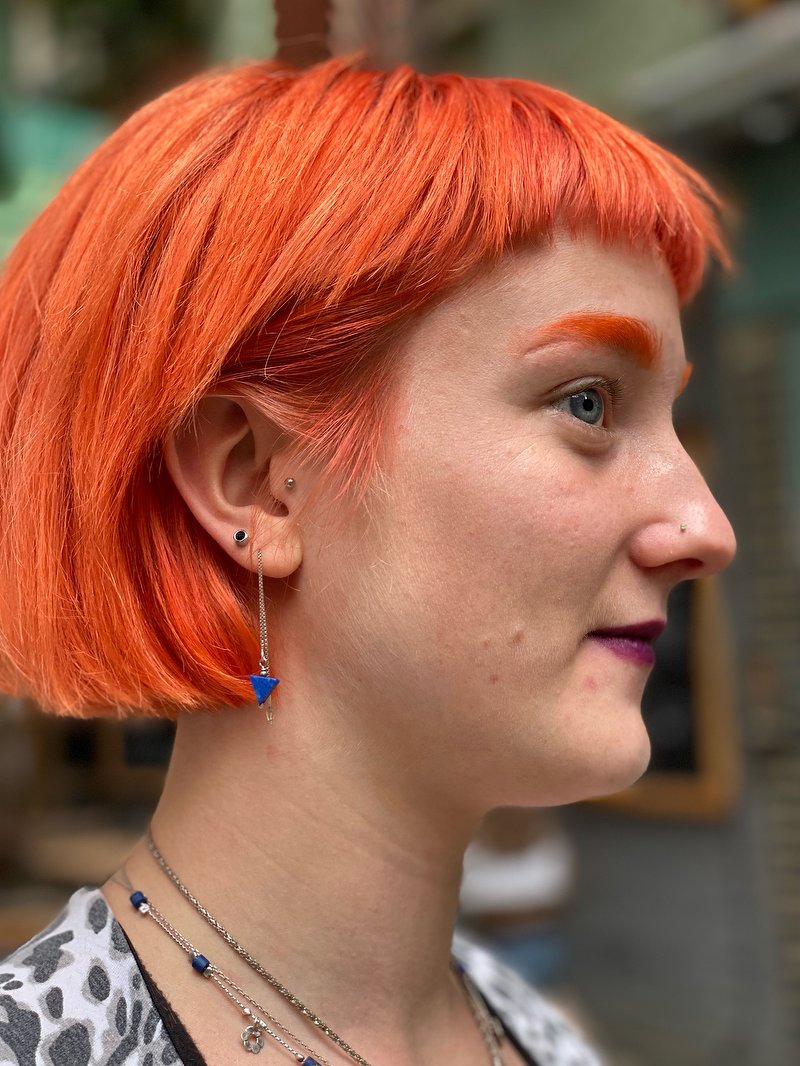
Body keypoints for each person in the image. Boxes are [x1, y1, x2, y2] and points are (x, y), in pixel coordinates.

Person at [0, 53, 736, 1066]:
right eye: (587, 402)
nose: (704, 526)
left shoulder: (542, 1041)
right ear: (256, 481)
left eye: (668, 418)